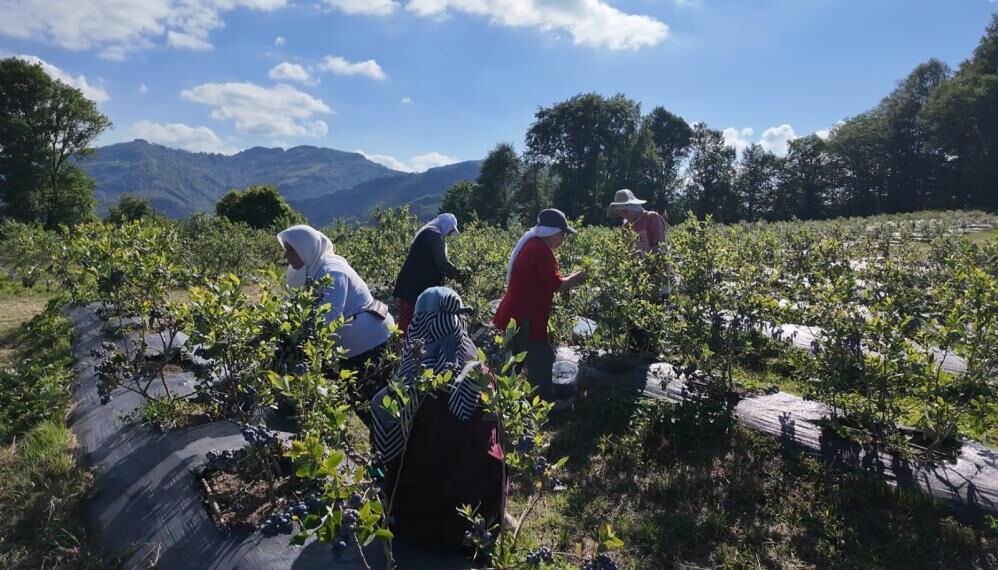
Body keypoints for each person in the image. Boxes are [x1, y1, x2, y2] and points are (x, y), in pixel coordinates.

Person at [371, 287, 507, 548]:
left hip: (423, 504)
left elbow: (397, 447)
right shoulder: (478, 367)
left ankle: (401, 509)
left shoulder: (420, 382)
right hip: (476, 502)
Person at [277, 224, 395, 424]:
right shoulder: (313, 269)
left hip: (370, 343)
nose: (286, 256)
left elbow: (329, 317)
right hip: (352, 345)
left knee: (372, 404)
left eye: (290, 250)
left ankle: (391, 447)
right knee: (363, 400)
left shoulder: (332, 271)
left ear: (306, 249)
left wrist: (295, 337)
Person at [493, 209, 587, 406]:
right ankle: (546, 406)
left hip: (514, 311)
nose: (563, 239)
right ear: (553, 233)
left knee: (514, 360)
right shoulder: (540, 250)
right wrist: (578, 278)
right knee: (541, 359)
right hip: (526, 315)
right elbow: (556, 285)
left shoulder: (532, 245)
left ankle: (502, 402)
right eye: (563, 235)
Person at [392, 213, 462, 332]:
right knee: (413, 318)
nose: (449, 234)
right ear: (446, 225)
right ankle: (408, 346)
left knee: (409, 318)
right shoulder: (434, 235)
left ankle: (406, 346)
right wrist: (457, 274)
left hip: (412, 281)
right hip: (416, 284)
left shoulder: (429, 233)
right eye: (450, 230)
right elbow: (441, 261)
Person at [607, 188, 672, 296]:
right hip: (638, 277)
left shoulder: (652, 218)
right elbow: (625, 252)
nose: (624, 215)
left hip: (658, 274)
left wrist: (641, 255)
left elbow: (660, 248)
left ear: (634, 207)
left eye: (625, 211)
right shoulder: (625, 227)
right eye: (621, 212)